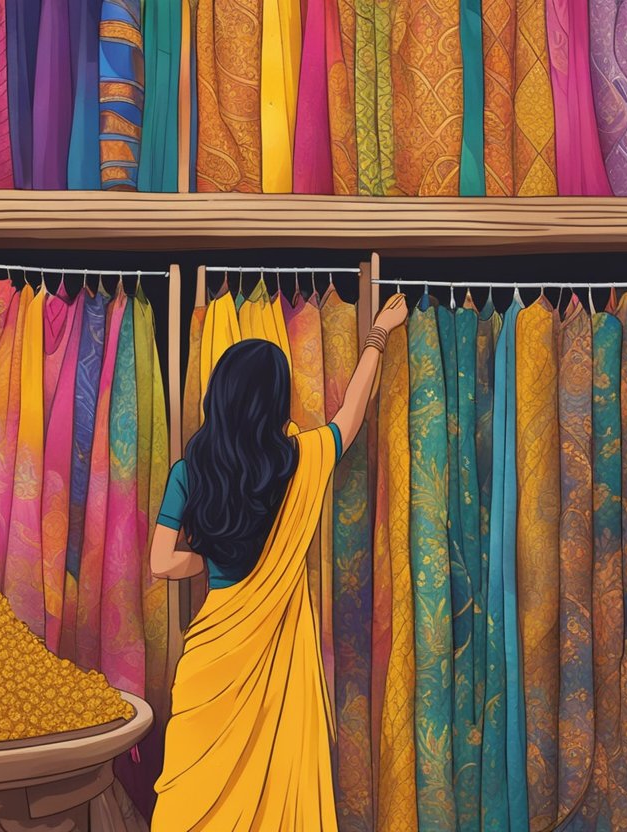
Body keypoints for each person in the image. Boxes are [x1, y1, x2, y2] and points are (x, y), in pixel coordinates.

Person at [148, 293, 409, 830]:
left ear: (219, 397)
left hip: (211, 660)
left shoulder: (189, 470)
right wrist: (378, 336)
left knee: (191, 803)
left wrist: (200, 561)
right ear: (275, 401)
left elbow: (160, 562)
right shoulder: (302, 460)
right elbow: (350, 416)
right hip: (278, 656)